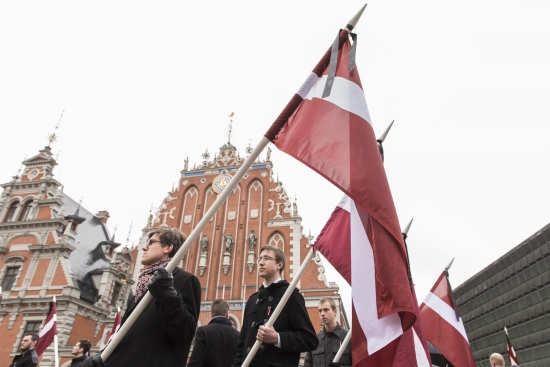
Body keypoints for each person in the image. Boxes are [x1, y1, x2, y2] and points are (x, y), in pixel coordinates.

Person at [84, 227, 201, 367]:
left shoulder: (184, 280)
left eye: (151, 242)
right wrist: (103, 357)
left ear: (168, 248)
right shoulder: (142, 285)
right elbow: (127, 333)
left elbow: (184, 332)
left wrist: (167, 293)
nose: (145, 248)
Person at [231, 245, 318, 367]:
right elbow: (241, 346)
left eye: (266, 258)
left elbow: (309, 339)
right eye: (259, 259)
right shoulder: (252, 300)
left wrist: (277, 338)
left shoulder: (291, 295)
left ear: (279, 265)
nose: (261, 263)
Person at [188, 299, 240, 367]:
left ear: (211, 314)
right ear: (227, 313)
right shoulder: (238, 335)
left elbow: (194, 362)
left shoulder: (203, 332)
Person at [304, 297, 351, 367]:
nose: (322, 314)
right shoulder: (315, 340)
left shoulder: (348, 338)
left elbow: (360, 364)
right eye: (320, 311)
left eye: (326, 310)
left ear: (335, 312)